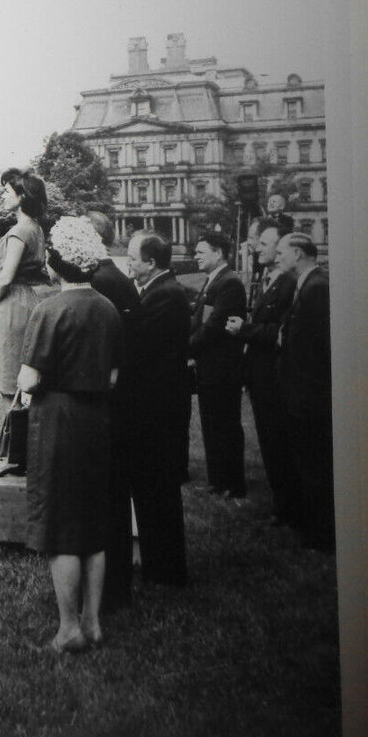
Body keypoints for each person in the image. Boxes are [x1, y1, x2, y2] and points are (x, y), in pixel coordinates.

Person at [16, 215, 123, 654]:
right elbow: (113, 376)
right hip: (98, 420)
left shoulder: (48, 310)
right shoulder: (108, 308)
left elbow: (27, 379)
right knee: (94, 525)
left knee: (61, 528)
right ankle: (94, 623)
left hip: (58, 423)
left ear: (57, 264)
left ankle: (68, 629)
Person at [124, 230, 191, 588]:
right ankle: (159, 564)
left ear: (151, 263)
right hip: (157, 410)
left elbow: (142, 349)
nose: (130, 264)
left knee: (158, 491)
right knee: (153, 492)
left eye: (133, 258)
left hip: (158, 414)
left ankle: (166, 571)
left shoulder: (165, 296)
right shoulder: (159, 291)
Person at [225, 218, 300, 528]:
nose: (257, 248)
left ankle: (290, 508)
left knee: (280, 443)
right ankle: (282, 504)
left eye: (266, 244)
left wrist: (245, 329)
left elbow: (280, 332)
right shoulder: (269, 279)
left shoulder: (289, 284)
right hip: (260, 376)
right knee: (270, 443)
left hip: (274, 378)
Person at [85, 211, 141, 613]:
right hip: (123, 400)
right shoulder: (115, 277)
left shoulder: (102, 282)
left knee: (108, 498)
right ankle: (115, 584)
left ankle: (113, 588)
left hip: (111, 403)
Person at [0, 169, 49, 477]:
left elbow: (6, 277)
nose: (4, 196)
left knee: (11, 384)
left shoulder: (21, 229)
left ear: (23, 197)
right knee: (21, 381)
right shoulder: (35, 227)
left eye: (8, 191)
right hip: (27, 301)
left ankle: (15, 456)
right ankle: (21, 453)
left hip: (15, 306)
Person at [274, 232, 332, 551]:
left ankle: (323, 535)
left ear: (297, 253)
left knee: (317, 466)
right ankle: (315, 528)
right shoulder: (307, 285)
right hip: (301, 394)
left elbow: (324, 348)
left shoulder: (317, 287)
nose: (278, 257)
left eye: (282, 252)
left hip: (311, 397)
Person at [189, 231, 248, 499]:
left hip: (222, 369)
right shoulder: (214, 281)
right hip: (209, 367)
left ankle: (232, 484)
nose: (195, 257)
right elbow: (200, 320)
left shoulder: (229, 283)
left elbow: (212, 327)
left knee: (224, 425)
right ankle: (218, 480)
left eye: (201, 252)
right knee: (212, 425)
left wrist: (184, 349)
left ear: (218, 253)